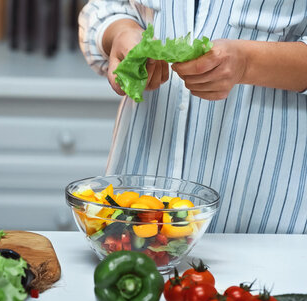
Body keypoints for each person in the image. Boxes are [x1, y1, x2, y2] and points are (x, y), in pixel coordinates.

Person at [79, 0, 307, 233]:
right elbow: (102, 9)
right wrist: (121, 31)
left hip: (261, 210)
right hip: (138, 194)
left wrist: (247, 63)